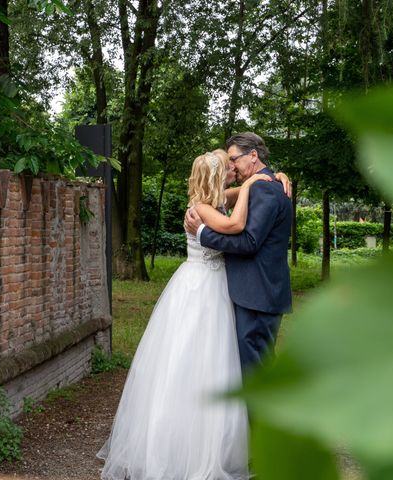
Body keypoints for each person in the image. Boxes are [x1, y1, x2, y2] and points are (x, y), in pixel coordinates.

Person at [97, 150, 272, 480]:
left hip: (212, 285)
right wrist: (252, 185)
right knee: (193, 361)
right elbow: (234, 224)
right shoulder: (204, 209)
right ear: (216, 177)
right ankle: (184, 450)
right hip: (201, 289)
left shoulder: (211, 198)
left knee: (215, 363)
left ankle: (214, 443)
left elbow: (232, 196)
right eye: (227, 170)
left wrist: (269, 179)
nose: (234, 173)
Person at [184, 132, 292, 372]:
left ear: (253, 156)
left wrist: (202, 233)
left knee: (254, 370)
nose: (231, 166)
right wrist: (274, 176)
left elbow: (249, 242)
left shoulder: (263, 189)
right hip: (253, 292)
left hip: (257, 295)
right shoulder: (263, 185)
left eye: (234, 159)